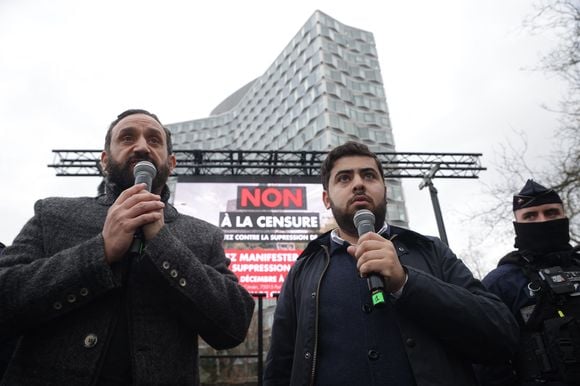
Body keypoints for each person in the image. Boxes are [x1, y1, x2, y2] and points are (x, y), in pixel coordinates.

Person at [0, 109, 255, 385]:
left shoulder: (204, 236)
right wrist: (100, 251)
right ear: (105, 160)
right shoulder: (52, 215)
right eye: (127, 137)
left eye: (154, 140)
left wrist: (163, 243)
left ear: (171, 163)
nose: (142, 146)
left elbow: (234, 325)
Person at [263, 141, 519, 386]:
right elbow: (279, 368)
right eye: (344, 178)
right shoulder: (303, 270)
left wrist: (406, 283)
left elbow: (501, 335)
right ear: (326, 199)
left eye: (369, 176)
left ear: (385, 190)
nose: (359, 184)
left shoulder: (431, 251)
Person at [476, 180, 580, 385]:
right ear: (517, 224)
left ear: (564, 216)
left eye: (551, 213)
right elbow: (487, 361)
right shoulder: (500, 283)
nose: (542, 221)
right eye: (530, 216)